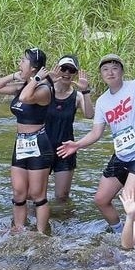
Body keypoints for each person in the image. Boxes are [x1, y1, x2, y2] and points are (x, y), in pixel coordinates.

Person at [56, 36, 135, 231]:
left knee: (129, 198)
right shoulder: (103, 102)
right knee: (101, 199)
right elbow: (96, 132)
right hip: (121, 156)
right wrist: (77, 144)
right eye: (105, 69)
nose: (110, 72)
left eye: (115, 68)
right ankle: (120, 232)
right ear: (101, 75)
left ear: (122, 71)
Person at [0, 47, 54, 233]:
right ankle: (19, 228)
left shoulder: (44, 90)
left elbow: (25, 98)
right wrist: (14, 75)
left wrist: (37, 79)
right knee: (18, 192)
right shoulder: (22, 86)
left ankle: (41, 234)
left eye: (23, 61)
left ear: (34, 68)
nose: (19, 63)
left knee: (37, 194)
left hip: (39, 144)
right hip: (21, 144)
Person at [44, 55, 94, 202]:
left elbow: (90, 115)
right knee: (37, 195)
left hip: (66, 148)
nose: (66, 73)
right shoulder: (46, 90)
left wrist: (85, 91)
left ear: (75, 73)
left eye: (71, 70)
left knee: (62, 197)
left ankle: (63, 223)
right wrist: (47, 82)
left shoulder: (77, 96)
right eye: (63, 68)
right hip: (43, 147)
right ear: (57, 70)